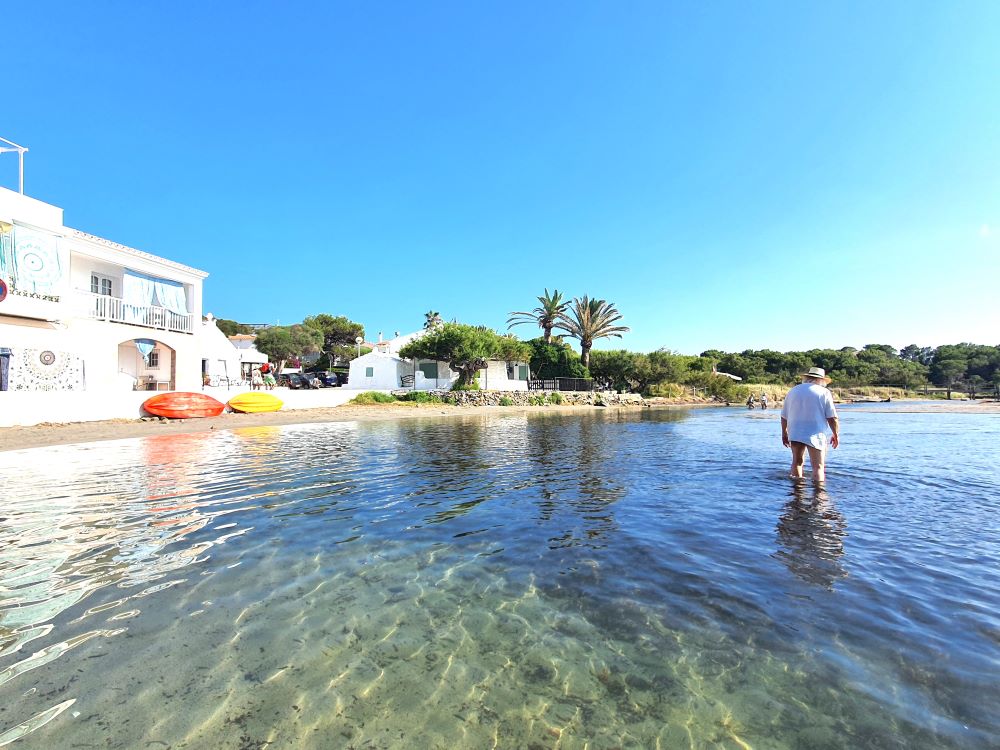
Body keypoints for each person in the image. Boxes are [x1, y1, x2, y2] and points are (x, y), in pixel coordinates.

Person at [781, 367, 840, 482]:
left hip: (795, 431)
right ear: (821, 380)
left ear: (807, 378)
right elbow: (832, 418)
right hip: (815, 433)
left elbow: (784, 416)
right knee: (818, 466)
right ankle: (819, 496)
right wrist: (836, 434)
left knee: (797, 463)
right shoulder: (824, 392)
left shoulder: (793, 391)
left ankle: (797, 494)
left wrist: (784, 433)